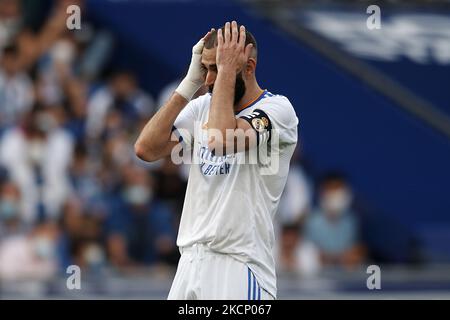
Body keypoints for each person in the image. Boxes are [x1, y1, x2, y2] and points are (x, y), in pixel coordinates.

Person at [135, 21, 298, 300]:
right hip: (189, 263)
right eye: (207, 68)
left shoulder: (277, 110)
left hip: (238, 265)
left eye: (217, 68)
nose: (209, 79)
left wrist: (224, 71)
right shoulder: (202, 107)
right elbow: (146, 149)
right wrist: (189, 84)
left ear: (248, 68)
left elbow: (222, 140)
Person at [305, 172, 366, 269]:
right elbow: (308, 254)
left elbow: (354, 253)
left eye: (338, 188)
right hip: (317, 276)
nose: (335, 194)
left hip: (345, 276)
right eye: (331, 189)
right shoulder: (311, 221)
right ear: (322, 192)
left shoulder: (351, 221)